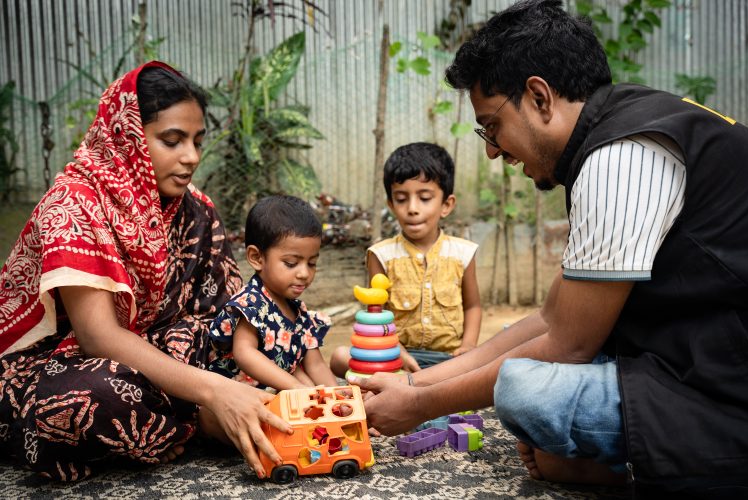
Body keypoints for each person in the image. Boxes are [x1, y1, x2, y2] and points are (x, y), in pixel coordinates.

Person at [350, 1, 748, 497]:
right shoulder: (614, 132)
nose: (492, 150)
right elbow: (550, 318)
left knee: (525, 391)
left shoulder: (619, 159)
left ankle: (675, 470)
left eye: (492, 126)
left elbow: (567, 344)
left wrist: (419, 407)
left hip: (727, 389)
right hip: (699, 353)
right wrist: (413, 387)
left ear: (539, 96)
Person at [0, 61, 292, 481]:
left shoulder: (194, 209)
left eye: (196, 140)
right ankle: (203, 421)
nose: (191, 157)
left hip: (154, 356)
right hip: (67, 364)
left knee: (241, 335)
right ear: (127, 138)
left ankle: (196, 414)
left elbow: (225, 313)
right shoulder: (72, 206)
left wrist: (273, 374)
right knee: (87, 397)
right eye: (172, 141)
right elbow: (98, 337)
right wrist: (215, 390)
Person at [329, 142, 481, 376]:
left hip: (449, 361)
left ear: (446, 205)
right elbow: (375, 314)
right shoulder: (382, 255)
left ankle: (419, 388)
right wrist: (396, 351)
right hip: (395, 358)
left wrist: (468, 347)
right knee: (340, 357)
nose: (412, 208)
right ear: (391, 204)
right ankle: (418, 387)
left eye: (425, 198)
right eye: (401, 199)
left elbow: (473, 306)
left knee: (495, 365)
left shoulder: (462, 254)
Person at [207, 194, 338, 391]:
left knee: (313, 387)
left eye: (312, 263)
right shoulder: (251, 304)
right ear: (257, 257)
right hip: (238, 399)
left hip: (279, 395)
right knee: (305, 387)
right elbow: (245, 354)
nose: (304, 273)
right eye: (291, 263)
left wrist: (337, 397)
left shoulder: (299, 314)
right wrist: (296, 389)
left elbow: (316, 364)